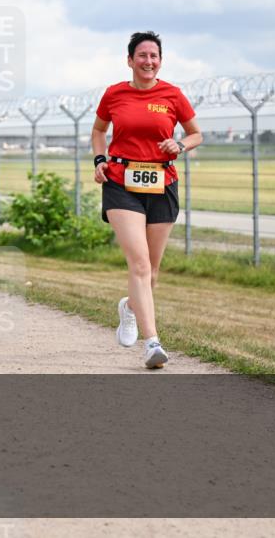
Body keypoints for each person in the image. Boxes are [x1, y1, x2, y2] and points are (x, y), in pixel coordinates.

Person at [92, 31, 203, 369]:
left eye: (154, 55)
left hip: (162, 182)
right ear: (130, 60)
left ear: (160, 61)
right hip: (121, 183)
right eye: (142, 55)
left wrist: (180, 145)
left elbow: (196, 133)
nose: (148, 61)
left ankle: (129, 307)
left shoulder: (173, 95)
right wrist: (100, 160)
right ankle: (152, 342)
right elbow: (98, 131)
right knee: (138, 264)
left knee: (151, 273)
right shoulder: (114, 94)